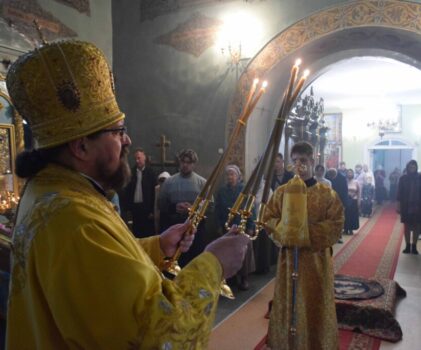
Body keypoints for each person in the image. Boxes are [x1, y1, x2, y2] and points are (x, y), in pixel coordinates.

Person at [5, 40, 250, 349]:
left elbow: (98, 274)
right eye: (118, 131)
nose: (128, 140)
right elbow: (156, 335)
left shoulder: (53, 190)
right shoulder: (75, 219)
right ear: (81, 146)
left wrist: (156, 246)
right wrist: (214, 264)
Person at [263, 141, 344, 349]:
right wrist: (285, 233)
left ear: (313, 161)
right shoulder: (282, 193)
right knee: (289, 302)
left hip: (316, 263)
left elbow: (336, 224)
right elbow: (268, 218)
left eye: (304, 161)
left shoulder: (326, 194)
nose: (300, 165)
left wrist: (305, 235)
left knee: (314, 303)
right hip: (289, 261)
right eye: (296, 161)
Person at [159, 148, 209, 267]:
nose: (185, 165)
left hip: (195, 230)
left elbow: (210, 207)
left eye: (189, 162)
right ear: (179, 162)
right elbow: (161, 205)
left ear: (194, 164)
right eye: (183, 162)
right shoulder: (169, 182)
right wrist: (174, 207)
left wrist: (193, 208)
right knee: (174, 263)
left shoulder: (203, 183)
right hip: (174, 227)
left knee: (194, 263)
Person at [215, 165, 256, 290]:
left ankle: (244, 278)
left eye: (232, 174)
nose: (230, 177)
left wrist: (250, 225)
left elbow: (251, 209)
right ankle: (230, 277)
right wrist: (218, 225)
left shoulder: (245, 190)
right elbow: (218, 210)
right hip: (227, 225)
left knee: (244, 252)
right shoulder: (221, 191)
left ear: (238, 177)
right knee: (228, 252)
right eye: (228, 174)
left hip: (242, 224)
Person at [121, 148, 156, 237]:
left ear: (144, 158)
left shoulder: (151, 173)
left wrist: (152, 210)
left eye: (139, 158)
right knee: (136, 233)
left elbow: (154, 192)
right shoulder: (131, 172)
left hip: (147, 209)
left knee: (148, 233)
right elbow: (127, 192)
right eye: (135, 158)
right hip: (135, 208)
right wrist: (127, 208)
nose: (137, 161)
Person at [397, 160, 420, 254]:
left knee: (417, 226)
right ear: (407, 167)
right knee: (406, 226)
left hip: (418, 206)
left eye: (414, 167)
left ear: (416, 167)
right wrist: (398, 206)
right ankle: (407, 246)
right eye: (410, 167)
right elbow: (399, 193)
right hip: (406, 205)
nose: (412, 168)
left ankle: (414, 246)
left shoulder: (420, 177)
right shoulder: (403, 178)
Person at [345, 168, 360, 235]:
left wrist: (359, 201)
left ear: (353, 174)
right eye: (348, 172)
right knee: (346, 215)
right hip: (346, 200)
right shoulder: (344, 181)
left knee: (352, 215)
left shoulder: (356, 182)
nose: (350, 174)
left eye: (351, 173)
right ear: (347, 174)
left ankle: (351, 229)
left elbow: (359, 192)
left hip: (354, 200)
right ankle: (345, 229)